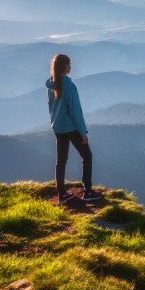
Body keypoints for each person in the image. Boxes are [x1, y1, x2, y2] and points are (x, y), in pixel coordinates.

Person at [46, 54, 101, 203]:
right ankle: (88, 192)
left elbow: (51, 108)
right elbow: (76, 113)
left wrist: (55, 123)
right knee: (87, 155)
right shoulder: (69, 87)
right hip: (71, 127)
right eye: (69, 64)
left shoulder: (52, 85)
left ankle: (62, 194)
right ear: (64, 66)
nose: (71, 66)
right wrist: (83, 133)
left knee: (61, 160)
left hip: (58, 127)